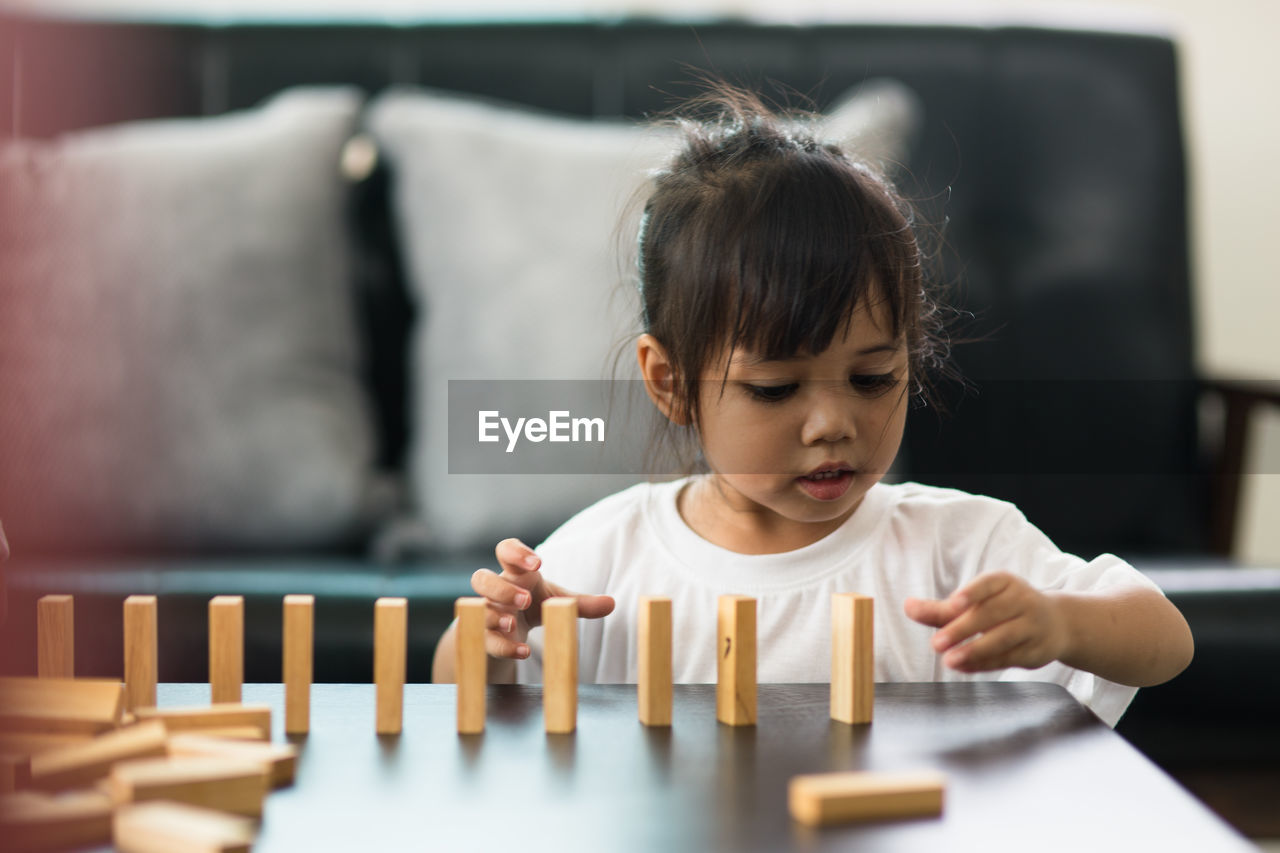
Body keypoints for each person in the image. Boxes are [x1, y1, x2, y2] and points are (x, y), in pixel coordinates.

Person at [431, 88, 1193, 727]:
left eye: (872, 378)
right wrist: (494, 638)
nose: (833, 422)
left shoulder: (956, 547)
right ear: (669, 383)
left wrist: (1061, 624)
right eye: (775, 388)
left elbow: (1166, 639)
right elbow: (453, 697)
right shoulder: (607, 560)